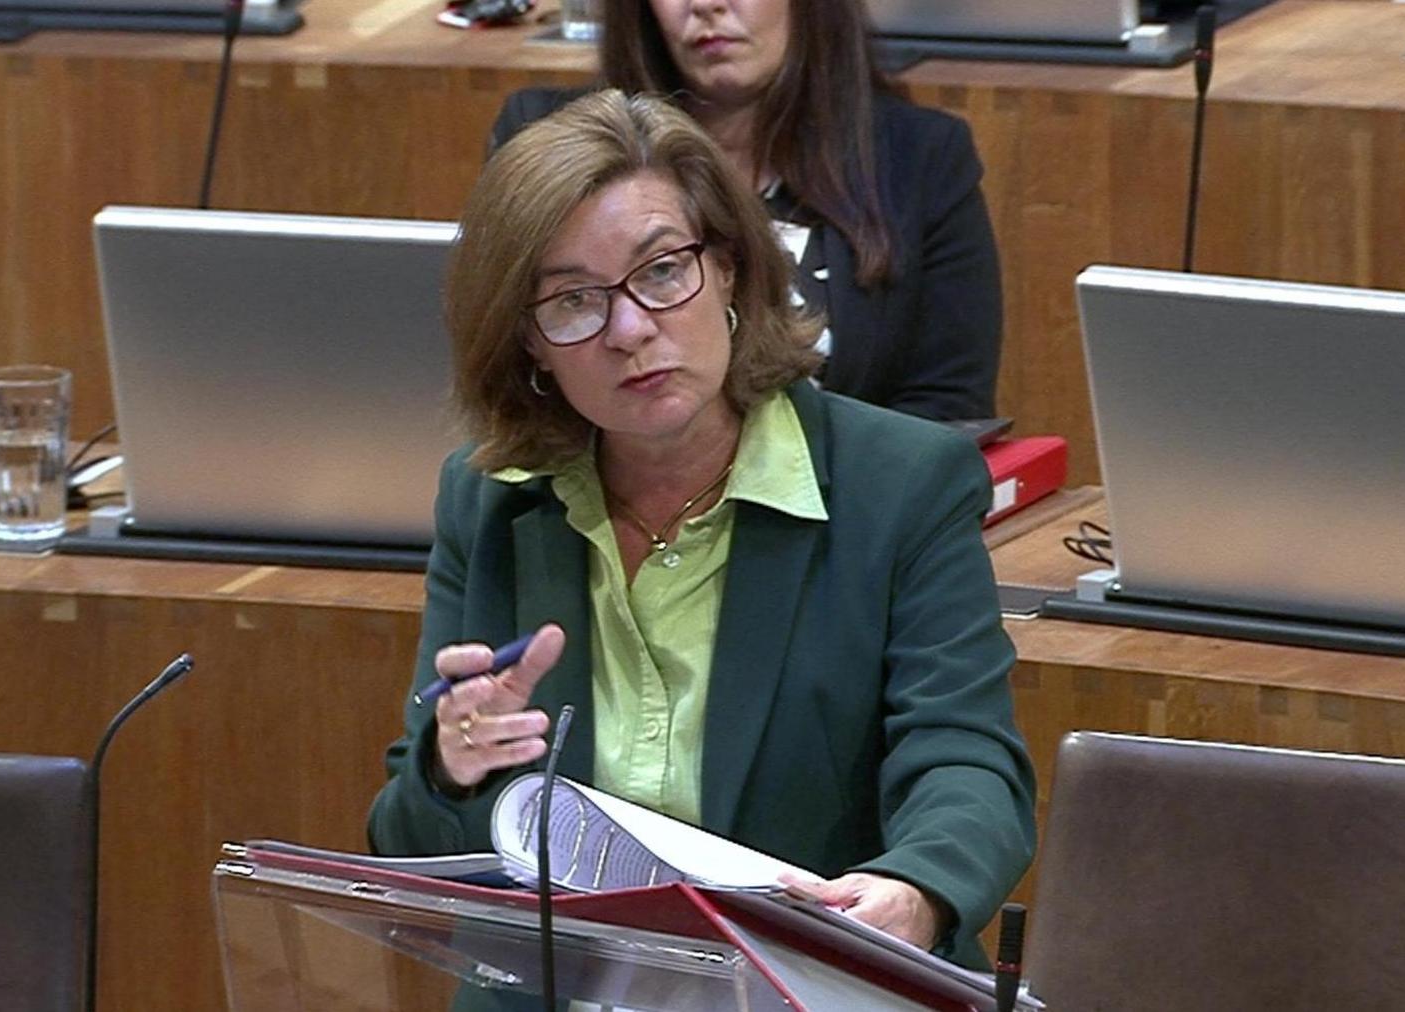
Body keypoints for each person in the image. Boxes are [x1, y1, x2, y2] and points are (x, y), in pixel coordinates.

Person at [367, 90, 1034, 971]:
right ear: (528, 343)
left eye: (662, 270)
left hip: (813, 984)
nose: (633, 331)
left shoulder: (901, 485)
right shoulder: (493, 499)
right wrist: (450, 766)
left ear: (728, 270)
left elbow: (966, 759)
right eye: (572, 302)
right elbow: (404, 846)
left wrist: (915, 891)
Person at [489, 0, 1003, 422]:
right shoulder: (547, 142)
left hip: (848, 517)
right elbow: (505, 374)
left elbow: (949, 410)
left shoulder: (921, 155)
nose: (706, 6)